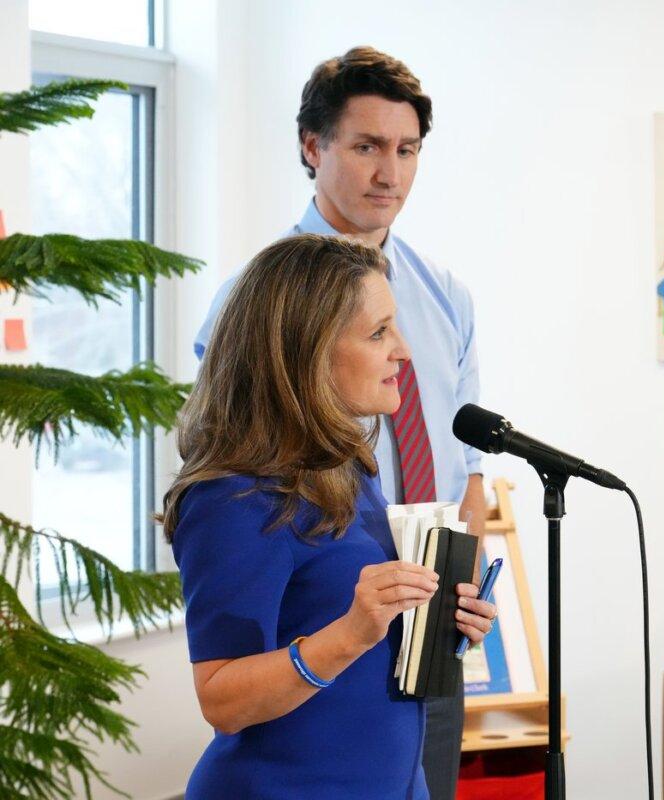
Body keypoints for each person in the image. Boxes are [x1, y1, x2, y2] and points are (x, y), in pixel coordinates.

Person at [193, 47, 485, 799]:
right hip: (321, 660)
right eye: (366, 147)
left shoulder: (445, 294)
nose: (390, 173)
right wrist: (354, 628)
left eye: (407, 149)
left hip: (420, 634)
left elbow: (465, 465)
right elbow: (230, 465)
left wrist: (448, 597)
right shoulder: (257, 302)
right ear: (313, 147)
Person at [164, 235, 497, 799]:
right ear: (307, 351)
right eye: (378, 333)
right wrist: (351, 632)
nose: (404, 351)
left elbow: (354, 624)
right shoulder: (231, 496)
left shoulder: (344, 467)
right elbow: (221, 699)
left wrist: (441, 621)